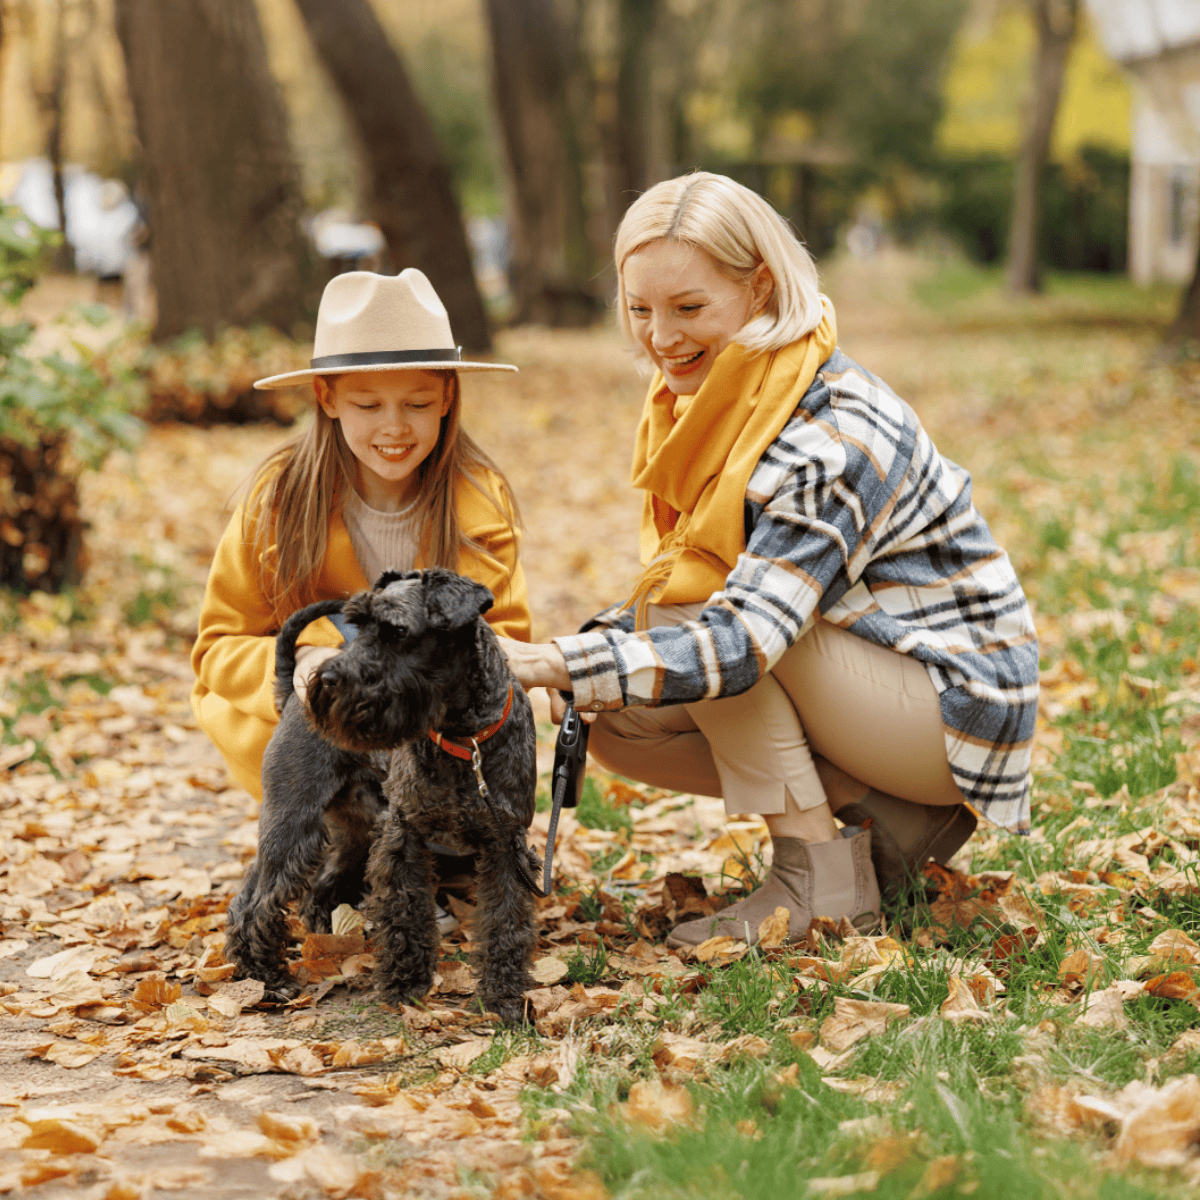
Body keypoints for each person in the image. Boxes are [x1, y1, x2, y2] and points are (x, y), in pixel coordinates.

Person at [501, 172, 1038, 949]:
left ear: (758, 290)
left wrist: (554, 657)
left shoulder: (831, 432)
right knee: (610, 712)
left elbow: (744, 635)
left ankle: (817, 882)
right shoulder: (721, 399)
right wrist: (580, 666)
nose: (660, 336)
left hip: (955, 703)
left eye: (689, 308)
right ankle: (881, 817)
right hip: (870, 677)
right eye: (640, 308)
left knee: (693, 625)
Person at [191, 268, 530, 809]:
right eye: (368, 406)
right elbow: (217, 646)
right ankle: (329, 819)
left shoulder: (480, 504)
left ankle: (440, 830)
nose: (394, 428)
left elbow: (504, 643)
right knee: (322, 667)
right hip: (321, 715)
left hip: (433, 721)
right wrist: (304, 658)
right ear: (326, 398)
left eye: (417, 405)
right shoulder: (277, 501)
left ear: (447, 396)